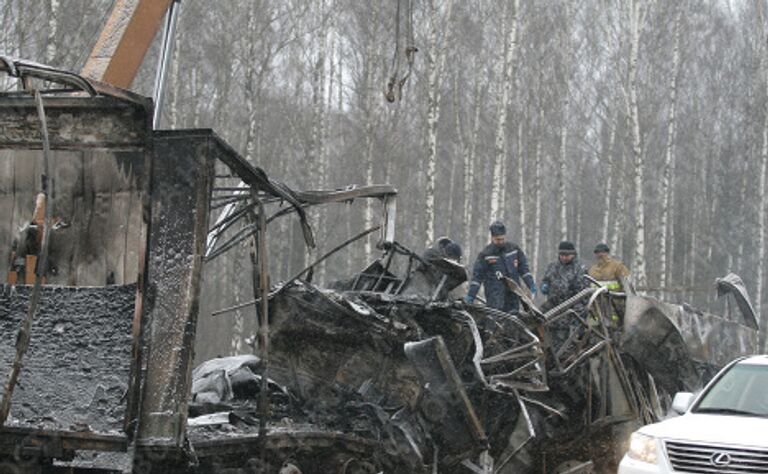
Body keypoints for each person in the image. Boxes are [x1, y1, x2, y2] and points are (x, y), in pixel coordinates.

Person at [465, 221, 535, 312]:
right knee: (496, 323)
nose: (501, 242)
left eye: (502, 239)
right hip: (495, 299)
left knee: (513, 322)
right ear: (492, 238)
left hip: (513, 297)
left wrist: (530, 284)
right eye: (498, 240)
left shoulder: (514, 250)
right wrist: (471, 295)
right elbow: (477, 277)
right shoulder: (485, 255)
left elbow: (524, 269)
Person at [540, 241, 589, 312]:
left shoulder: (580, 268)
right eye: (561, 255)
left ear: (573, 254)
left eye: (566, 255)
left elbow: (584, 291)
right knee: (539, 316)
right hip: (553, 304)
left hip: (573, 305)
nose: (563, 257)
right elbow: (546, 280)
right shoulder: (552, 266)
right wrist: (544, 285)